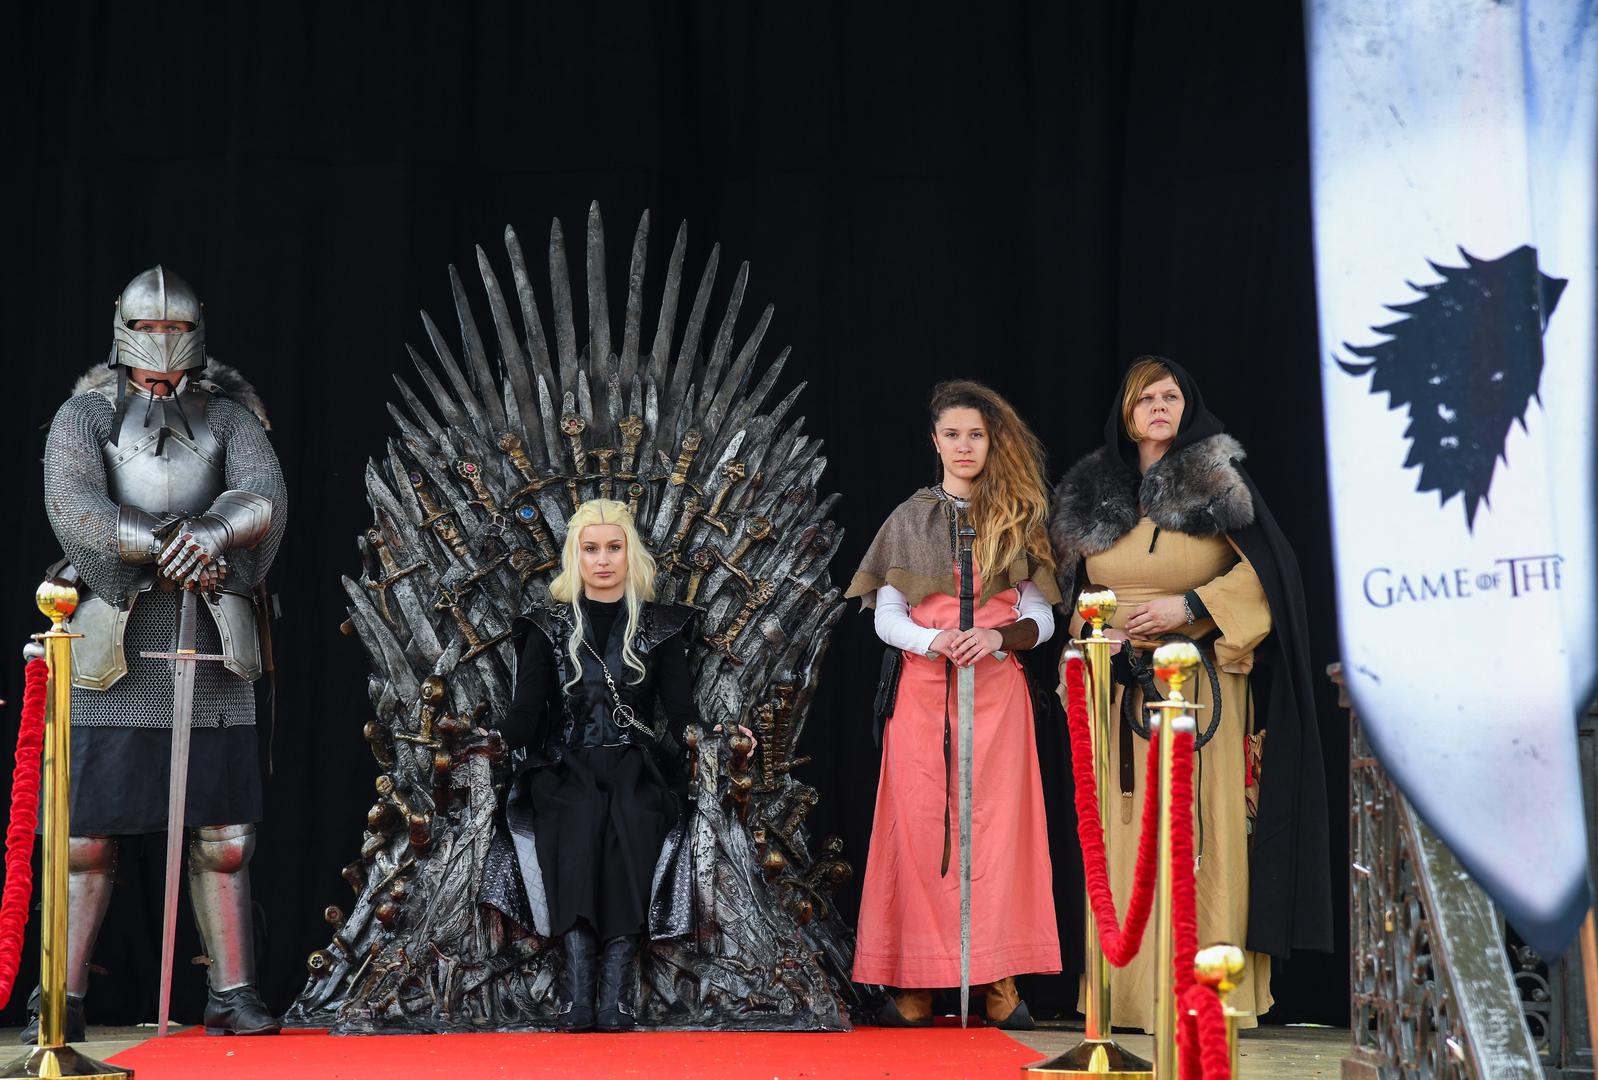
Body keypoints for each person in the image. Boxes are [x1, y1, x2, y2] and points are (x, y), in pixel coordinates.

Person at [35, 265, 286, 1038]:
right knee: (84, 839)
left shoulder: (232, 419)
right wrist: (157, 542)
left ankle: (232, 993)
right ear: (123, 328)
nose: (162, 340)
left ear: (198, 328)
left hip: (212, 638)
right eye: (148, 326)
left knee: (226, 840)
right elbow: (74, 504)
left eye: (175, 326)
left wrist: (214, 532)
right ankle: (62, 996)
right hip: (112, 640)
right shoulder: (85, 416)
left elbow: (264, 496)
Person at [1047, 355, 1332, 1031]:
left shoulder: (1216, 480)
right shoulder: (1089, 490)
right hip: (1115, 685)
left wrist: (1191, 606)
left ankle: (1205, 992)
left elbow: (1273, 575)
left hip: (1198, 683)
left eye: (1170, 396)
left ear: (1187, 406)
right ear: (1126, 411)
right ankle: (1125, 997)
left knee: (1199, 829)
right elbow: (1071, 595)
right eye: (1145, 397)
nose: (1158, 407)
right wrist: (1097, 636)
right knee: (1120, 836)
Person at [846, 379, 1062, 1029]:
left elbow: (1043, 618)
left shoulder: (1017, 518)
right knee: (919, 833)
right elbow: (885, 616)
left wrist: (997, 636)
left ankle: (999, 979)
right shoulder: (908, 519)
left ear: (991, 441)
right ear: (934, 441)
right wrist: (933, 639)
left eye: (976, 434)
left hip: (997, 697)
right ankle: (914, 981)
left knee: (997, 835)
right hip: (921, 694)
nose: (964, 445)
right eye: (952, 434)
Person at [497, 499, 701, 1033]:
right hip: (566, 764)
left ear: (631, 553)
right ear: (575, 555)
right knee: (578, 815)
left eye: (614, 548)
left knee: (631, 814)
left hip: (635, 763)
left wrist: (709, 735)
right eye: (591, 549)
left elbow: (681, 713)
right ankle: (580, 990)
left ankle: (617, 990)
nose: (603, 560)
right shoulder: (546, 626)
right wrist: (491, 738)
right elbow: (525, 714)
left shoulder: (660, 627)